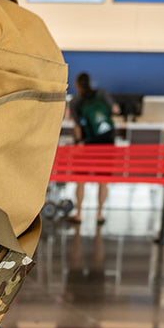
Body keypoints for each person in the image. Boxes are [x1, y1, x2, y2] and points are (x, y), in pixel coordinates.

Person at [69, 71, 115, 226]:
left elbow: (77, 126)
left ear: (77, 84)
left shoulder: (75, 101)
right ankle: (100, 214)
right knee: (103, 180)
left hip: (87, 144)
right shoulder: (101, 93)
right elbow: (115, 110)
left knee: (80, 180)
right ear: (90, 82)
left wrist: (79, 142)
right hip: (107, 142)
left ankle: (79, 213)